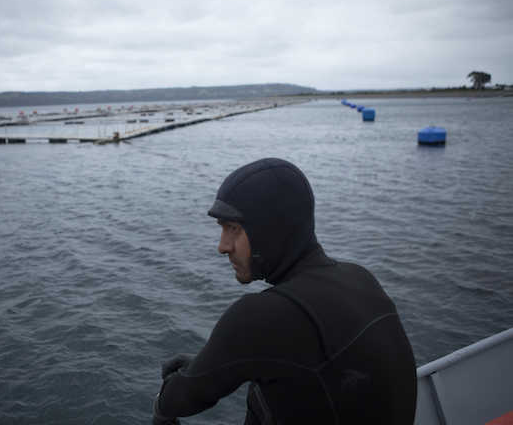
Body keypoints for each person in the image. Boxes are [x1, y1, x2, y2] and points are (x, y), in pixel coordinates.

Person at [153, 157, 417, 424]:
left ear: (269, 229)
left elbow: (178, 399)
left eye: (233, 228)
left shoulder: (261, 315)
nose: (222, 246)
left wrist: (169, 399)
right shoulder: (360, 278)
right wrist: (211, 362)